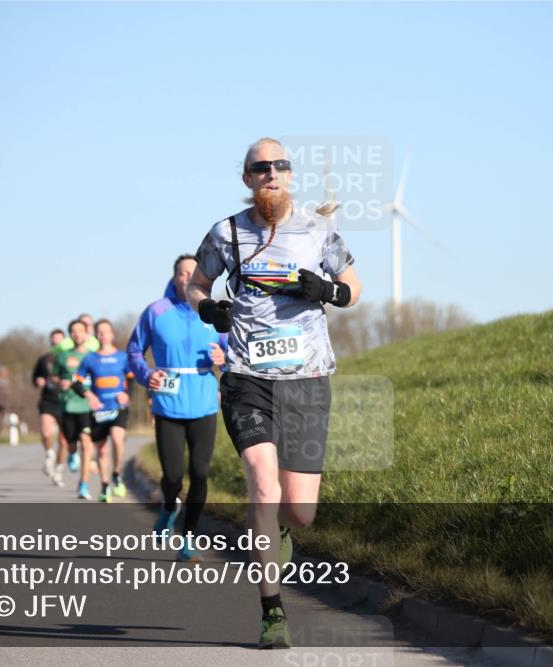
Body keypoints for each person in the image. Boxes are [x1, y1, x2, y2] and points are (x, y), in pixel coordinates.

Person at [187, 137, 361, 648]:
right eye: (260, 167)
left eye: (279, 165)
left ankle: (281, 530)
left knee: (300, 510)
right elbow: (197, 285)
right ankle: (272, 612)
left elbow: (354, 287)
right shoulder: (225, 234)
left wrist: (326, 291)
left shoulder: (318, 230)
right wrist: (207, 308)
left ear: (289, 174)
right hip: (247, 378)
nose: (271, 173)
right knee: (264, 488)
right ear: (247, 179)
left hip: (306, 379)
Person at [128, 254, 227, 561]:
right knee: (173, 476)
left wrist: (223, 361)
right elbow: (133, 351)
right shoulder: (156, 311)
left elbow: (233, 351)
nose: (187, 278)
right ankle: (169, 506)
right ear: (174, 278)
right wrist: (147, 374)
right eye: (182, 273)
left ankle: (189, 538)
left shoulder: (214, 312)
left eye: (193, 273)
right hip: (168, 404)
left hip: (204, 401)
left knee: (200, 473)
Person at [73, 319, 131, 502]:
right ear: (95, 335)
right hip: (99, 410)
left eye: (106, 332)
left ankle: (117, 474)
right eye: (99, 332)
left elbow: (133, 380)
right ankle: (105, 486)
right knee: (103, 451)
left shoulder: (123, 357)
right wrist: (89, 396)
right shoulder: (90, 358)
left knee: (117, 438)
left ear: (112, 335)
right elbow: (77, 382)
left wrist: (127, 394)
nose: (103, 335)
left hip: (118, 407)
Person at [51, 318, 94, 499]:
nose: (77, 334)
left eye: (80, 331)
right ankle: (71, 453)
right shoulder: (63, 356)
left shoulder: (94, 355)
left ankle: (83, 485)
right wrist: (60, 382)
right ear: (71, 335)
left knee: (86, 443)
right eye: (74, 331)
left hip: (87, 405)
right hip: (68, 405)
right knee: (70, 443)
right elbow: (53, 376)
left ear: (87, 333)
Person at [31, 328, 66, 479]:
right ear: (51, 342)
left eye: (59, 340)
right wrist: (37, 381)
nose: (56, 343)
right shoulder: (43, 360)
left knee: (64, 441)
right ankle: (49, 454)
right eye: (54, 341)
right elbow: (34, 377)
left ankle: (59, 467)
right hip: (48, 400)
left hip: (66, 401)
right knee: (46, 432)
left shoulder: (69, 358)